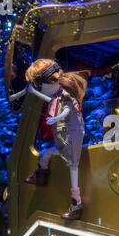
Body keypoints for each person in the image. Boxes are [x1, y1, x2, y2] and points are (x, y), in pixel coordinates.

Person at [22, 59, 89, 220]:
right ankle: (40, 174)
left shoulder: (66, 95)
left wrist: (55, 119)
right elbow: (49, 100)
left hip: (71, 136)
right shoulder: (57, 95)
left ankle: (76, 205)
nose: (41, 90)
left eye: (39, 86)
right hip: (64, 136)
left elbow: (67, 109)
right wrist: (33, 92)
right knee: (49, 153)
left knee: (73, 169)